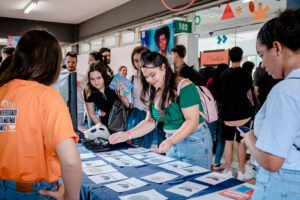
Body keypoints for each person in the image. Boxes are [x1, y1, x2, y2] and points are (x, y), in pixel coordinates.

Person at [0, 29, 81, 199]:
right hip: (36, 192)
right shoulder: (48, 97)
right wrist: (69, 198)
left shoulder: (2, 91)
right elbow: (71, 161)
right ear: (51, 62)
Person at [109, 51, 212, 169]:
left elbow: (191, 121)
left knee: (197, 184)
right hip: (170, 141)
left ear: (163, 67)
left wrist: (171, 141)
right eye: (146, 76)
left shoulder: (185, 86)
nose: (149, 80)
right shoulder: (152, 90)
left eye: (153, 75)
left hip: (194, 141)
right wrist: (127, 135)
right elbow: (150, 121)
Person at [241, 9, 300, 199]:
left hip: (283, 185)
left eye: (261, 55)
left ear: (276, 48)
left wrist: (249, 138)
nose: (263, 65)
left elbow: (272, 161)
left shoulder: (285, 91)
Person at [120, 46, 165, 148]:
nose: (138, 64)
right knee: (135, 148)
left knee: (156, 148)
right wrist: (122, 97)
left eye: (141, 60)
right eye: (135, 61)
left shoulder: (158, 79)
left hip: (156, 116)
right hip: (137, 116)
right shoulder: (130, 78)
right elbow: (129, 105)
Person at [219, 46, 253, 180]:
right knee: (241, 142)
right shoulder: (246, 74)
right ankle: (241, 172)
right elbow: (247, 91)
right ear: (241, 57)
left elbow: (222, 95)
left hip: (228, 114)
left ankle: (227, 170)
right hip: (243, 113)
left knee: (228, 142)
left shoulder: (223, 75)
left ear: (229, 57)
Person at [84, 61, 120, 129]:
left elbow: (131, 100)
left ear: (104, 75)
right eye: (92, 79)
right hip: (108, 124)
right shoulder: (88, 90)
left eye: (99, 78)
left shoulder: (115, 80)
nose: (96, 82)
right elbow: (91, 113)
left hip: (126, 120)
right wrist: (103, 128)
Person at [65, 51, 87, 131]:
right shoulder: (60, 76)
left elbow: (86, 93)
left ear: (77, 62)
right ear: (65, 62)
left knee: (77, 133)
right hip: (64, 110)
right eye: (68, 62)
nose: (70, 64)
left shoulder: (82, 76)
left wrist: (80, 85)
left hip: (79, 110)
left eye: (73, 62)